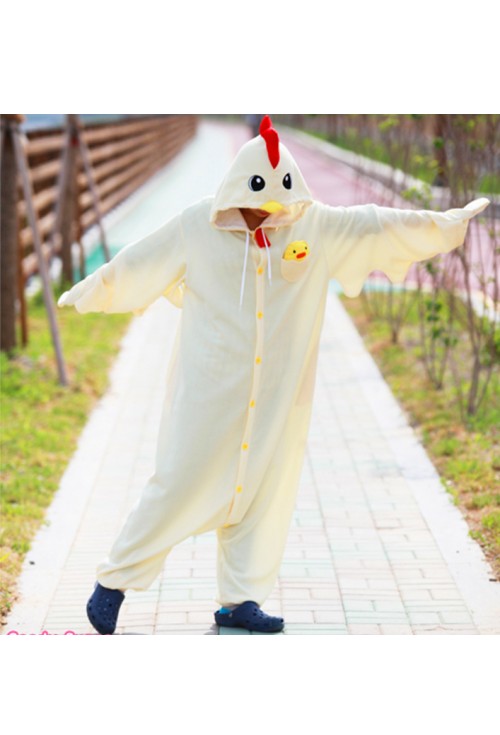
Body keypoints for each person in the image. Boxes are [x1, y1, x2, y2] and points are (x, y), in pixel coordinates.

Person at [58, 116, 489, 635]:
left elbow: (376, 223)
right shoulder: (198, 226)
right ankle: (113, 583)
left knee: (265, 492)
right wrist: (95, 289)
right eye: (257, 199)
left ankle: (239, 601)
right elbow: (141, 260)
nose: (270, 212)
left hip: (279, 398)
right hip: (210, 394)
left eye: (280, 202)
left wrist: (444, 224)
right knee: (177, 484)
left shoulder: (314, 227)